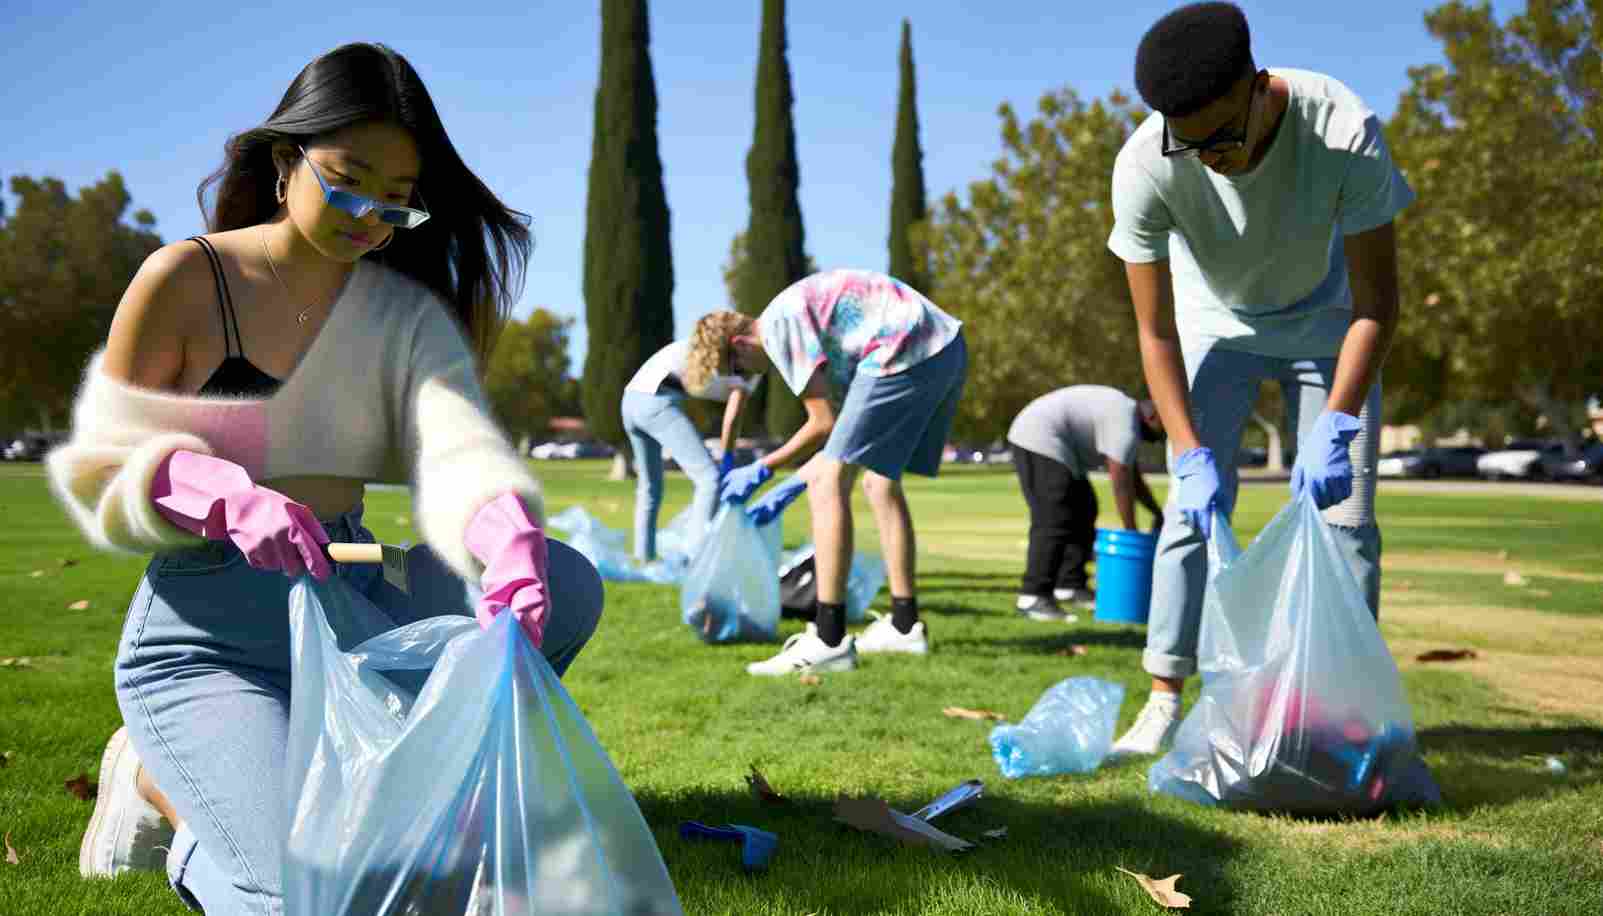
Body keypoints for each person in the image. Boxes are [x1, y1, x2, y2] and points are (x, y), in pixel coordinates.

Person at [46, 43, 604, 914]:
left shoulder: (396, 312)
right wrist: (218, 495)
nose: (368, 216)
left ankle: (406, 802)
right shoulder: (188, 278)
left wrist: (505, 532)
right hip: (212, 642)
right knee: (315, 893)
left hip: (356, 605)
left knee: (564, 585)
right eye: (347, 182)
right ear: (283, 160)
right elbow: (101, 465)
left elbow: (456, 448)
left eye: (395, 202)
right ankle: (161, 787)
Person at [1104, 2, 1409, 756]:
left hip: (1326, 323)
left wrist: (1337, 425)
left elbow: (1378, 306)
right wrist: (1186, 450)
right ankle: (1164, 697)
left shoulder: (1342, 128)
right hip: (1213, 327)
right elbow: (1154, 331)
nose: (1208, 157)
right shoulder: (1146, 164)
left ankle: (1336, 716)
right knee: (1189, 514)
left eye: (1223, 138)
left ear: (1260, 88)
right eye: (1190, 142)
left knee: (1347, 524)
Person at [704, 269, 966, 674]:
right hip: (943, 346)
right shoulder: (804, 319)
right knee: (879, 481)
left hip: (903, 347)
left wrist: (762, 469)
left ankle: (828, 640)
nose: (748, 376)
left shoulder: (778, 327)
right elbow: (844, 440)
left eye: (739, 367)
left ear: (739, 343)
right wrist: (790, 482)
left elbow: (822, 424)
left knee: (828, 484)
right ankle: (904, 625)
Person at [1006, 386, 1165, 621]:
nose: (1164, 436)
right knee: (1053, 517)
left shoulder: (1126, 417)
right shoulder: (1125, 419)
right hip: (1038, 436)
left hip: (1062, 447)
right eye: (1165, 426)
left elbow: (1133, 479)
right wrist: (1131, 530)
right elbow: (1121, 479)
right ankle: (1033, 596)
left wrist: (1156, 512)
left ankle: (1070, 585)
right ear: (1152, 416)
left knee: (1084, 508)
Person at [621, 313, 760, 562]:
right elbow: (733, 416)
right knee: (709, 478)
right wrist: (727, 456)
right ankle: (696, 558)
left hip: (630, 401)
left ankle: (644, 557)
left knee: (650, 487)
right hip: (654, 401)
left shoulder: (703, 346)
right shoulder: (746, 363)